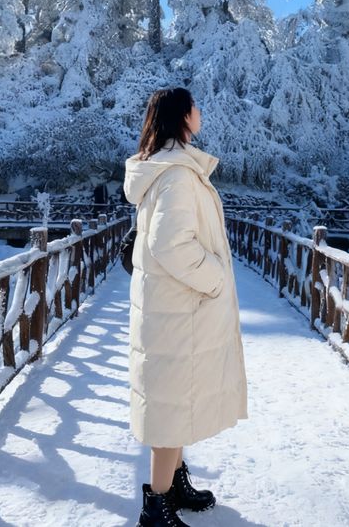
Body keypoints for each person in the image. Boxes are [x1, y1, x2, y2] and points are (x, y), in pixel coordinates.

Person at [124, 87, 248, 527]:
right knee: (170, 408)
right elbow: (170, 244)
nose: (201, 111)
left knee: (174, 401)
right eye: (195, 106)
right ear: (182, 116)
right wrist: (214, 276)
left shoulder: (169, 167)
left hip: (172, 311)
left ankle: (173, 482)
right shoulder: (177, 175)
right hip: (179, 313)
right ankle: (156, 506)